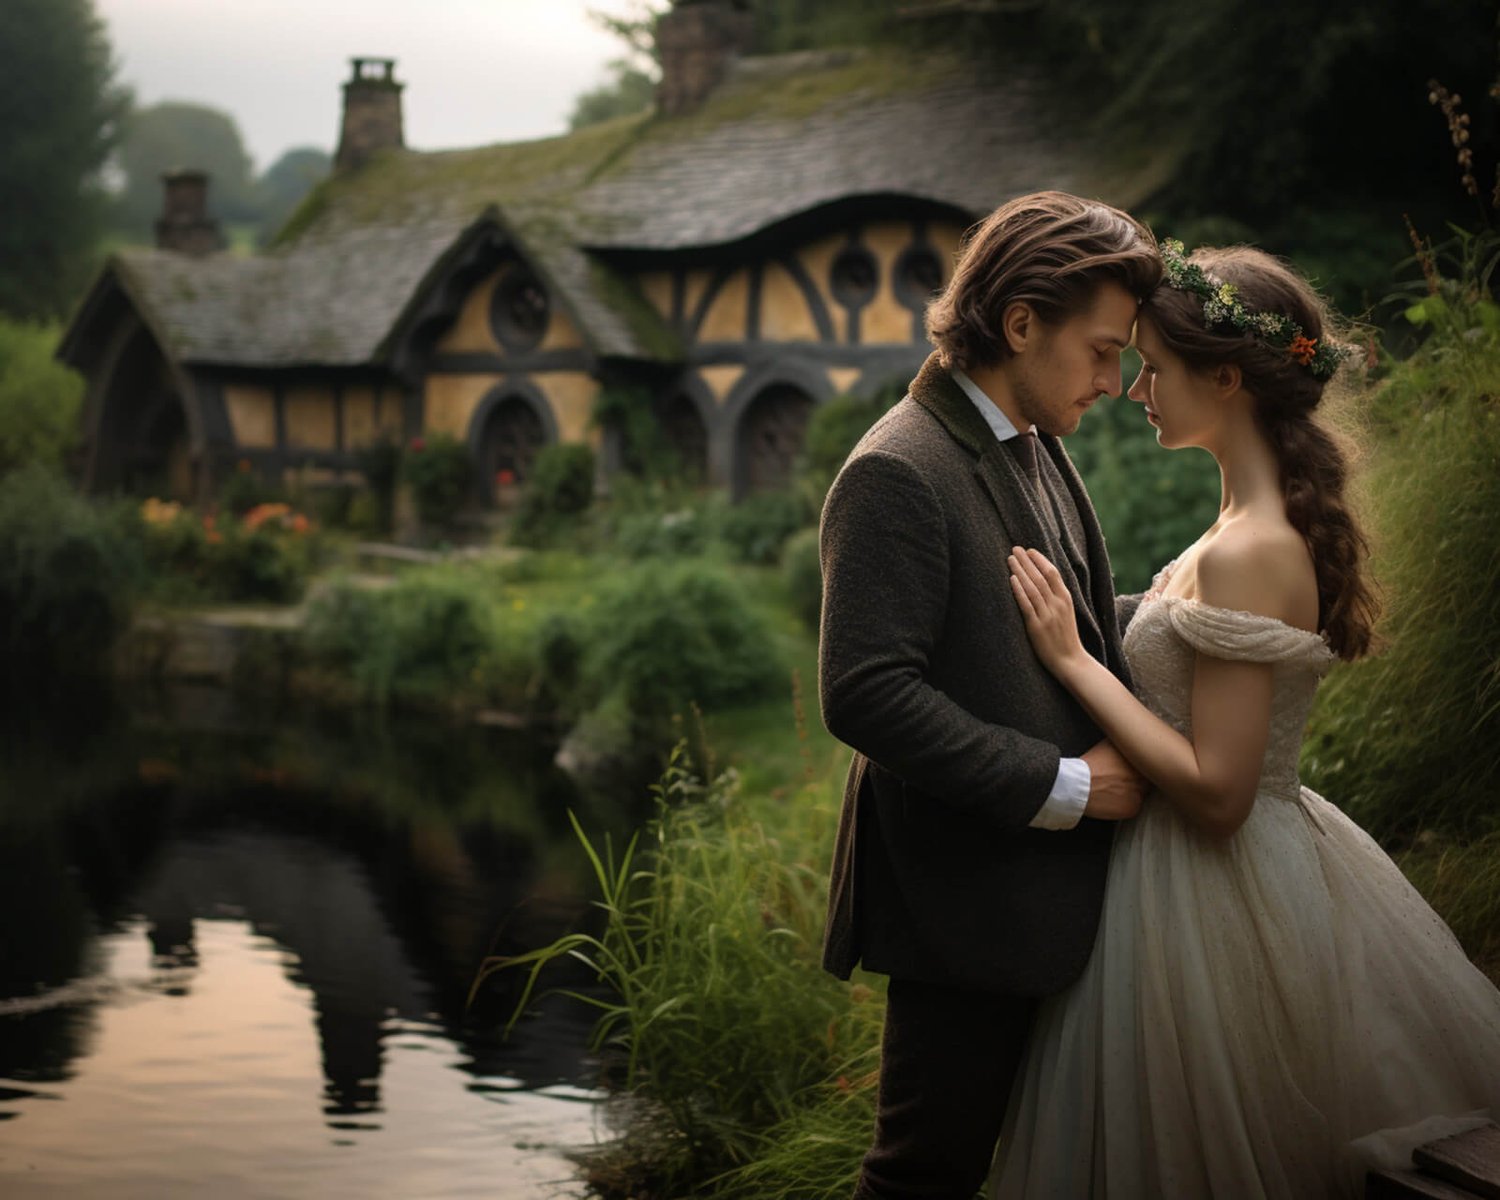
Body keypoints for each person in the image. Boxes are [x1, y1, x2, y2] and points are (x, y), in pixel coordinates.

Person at [994, 241, 1500, 1198]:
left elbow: (1220, 793)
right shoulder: (1234, 532)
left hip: (1216, 887)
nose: (1137, 388)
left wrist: (1070, 661)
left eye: (1155, 367)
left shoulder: (1247, 550)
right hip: (1187, 877)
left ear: (1225, 378)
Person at [817, 190, 1160, 1199]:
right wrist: (1064, 787)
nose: (1113, 379)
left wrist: (1203, 606)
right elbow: (864, 692)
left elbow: (1076, 618)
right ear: (1020, 325)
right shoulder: (896, 471)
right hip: (963, 905)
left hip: (1036, 903)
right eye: (1101, 351)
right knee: (924, 1175)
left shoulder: (1032, 438)